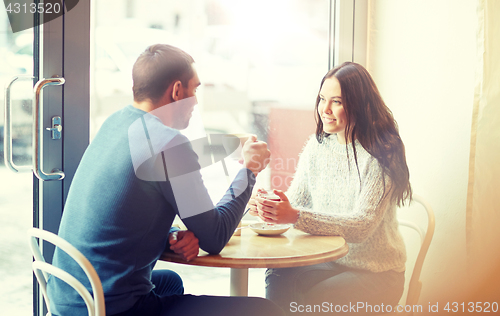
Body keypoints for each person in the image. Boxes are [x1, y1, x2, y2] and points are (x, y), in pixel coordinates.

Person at [47, 44, 284, 316]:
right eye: (194, 90)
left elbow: (161, 162)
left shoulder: (116, 123)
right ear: (176, 91)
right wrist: (250, 170)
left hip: (70, 297)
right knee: (265, 310)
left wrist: (169, 235)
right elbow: (215, 237)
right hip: (111, 309)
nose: (196, 101)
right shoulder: (168, 144)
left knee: (170, 282)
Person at [249, 62, 412, 315]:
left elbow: (362, 226)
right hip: (330, 261)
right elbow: (296, 201)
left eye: (337, 101)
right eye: (322, 99)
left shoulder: (381, 154)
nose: (325, 109)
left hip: (378, 272)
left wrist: (294, 215)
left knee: (316, 299)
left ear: (361, 104)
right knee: (279, 273)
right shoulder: (318, 147)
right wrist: (270, 205)